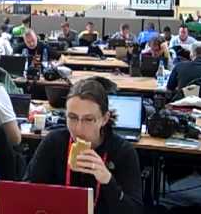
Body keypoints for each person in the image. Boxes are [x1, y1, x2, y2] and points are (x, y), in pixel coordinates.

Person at [24, 78, 143, 214]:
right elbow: (26, 192)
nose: (79, 129)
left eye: (88, 119)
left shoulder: (122, 151)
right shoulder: (54, 142)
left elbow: (134, 210)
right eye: (73, 118)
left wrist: (107, 181)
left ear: (104, 119)